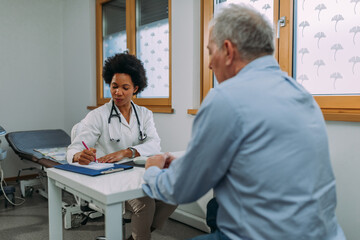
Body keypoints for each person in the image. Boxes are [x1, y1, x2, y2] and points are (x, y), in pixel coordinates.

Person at [142, 4, 346, 240]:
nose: (209, 64)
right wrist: (192, 163)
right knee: (215, 209)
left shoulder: (226, 98)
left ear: (228, 50)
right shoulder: (302, 95)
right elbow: (261, 162)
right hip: (326, 234)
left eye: (210, 52)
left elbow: (182, 190)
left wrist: (152, 171)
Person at [66, 52, 177, 240]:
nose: (118, 92)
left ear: (136, 88)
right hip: (111, 177)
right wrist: (78, 156)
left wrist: (127, 151)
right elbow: (74, 149)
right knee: (145, 203)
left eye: (125, 88)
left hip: (138, 174)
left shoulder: (144, 114)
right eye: (114, 86)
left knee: (174, 192)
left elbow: (154, 143)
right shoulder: (98, 116)